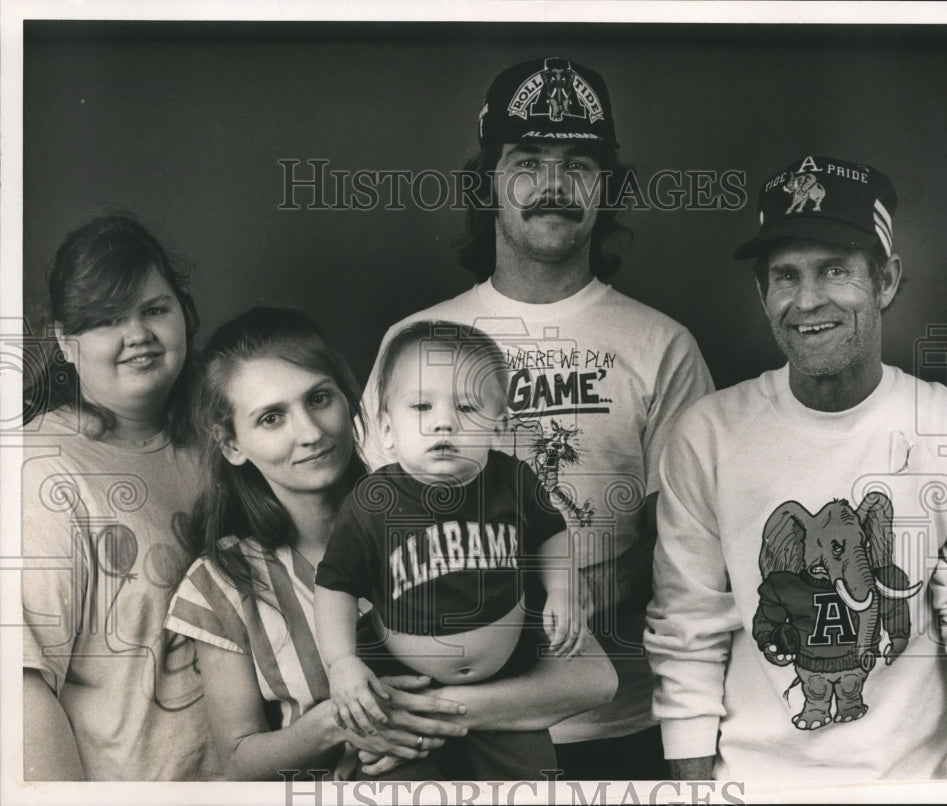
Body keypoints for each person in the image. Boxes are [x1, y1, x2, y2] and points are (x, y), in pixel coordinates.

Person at [360, 56, 714, 779]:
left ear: (607, 185)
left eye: (579, 162)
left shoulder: (663, 345)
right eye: (527, 160)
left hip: (617, 728)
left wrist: (559, 614)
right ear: (488, 180)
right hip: (450, 729)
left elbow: (683, 545)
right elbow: (376, 526)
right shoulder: (413, 342)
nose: (553, 185)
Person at [165, 307, 616, 780]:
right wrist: (344, 722)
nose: (310, 432)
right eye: (271, 418)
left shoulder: (475, 504)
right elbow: (238, 763)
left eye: (320, 399)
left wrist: (416, 714)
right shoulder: (220, 581)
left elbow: (593, 680)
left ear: (353, 402)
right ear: (232, 443)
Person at [645, 155, 947, 781]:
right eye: (786, 276)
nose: (807, 300)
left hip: (907, 789)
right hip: (749, 785)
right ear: (762, 293)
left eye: (835, 270)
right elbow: (687, 632)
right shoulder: (709, 434)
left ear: (885, 282)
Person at [316, 321, 589, 780]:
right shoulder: (372, 502)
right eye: (421, 405)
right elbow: (334, 587)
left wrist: (562, 589)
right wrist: (342, 663)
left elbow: (551, 531)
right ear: (386, 427)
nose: (444, 421)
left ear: (500, 424)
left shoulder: (513, 480)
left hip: (507, 693)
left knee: (534, 786)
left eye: (466, 406)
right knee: (399, 783)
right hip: (403, 693)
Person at [21, 214, 218, 780]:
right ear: (64, 339)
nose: (138, 334)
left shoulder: (227, 439)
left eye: (154, 309)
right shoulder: (39, 471)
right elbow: (21, 685)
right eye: (108, 319)